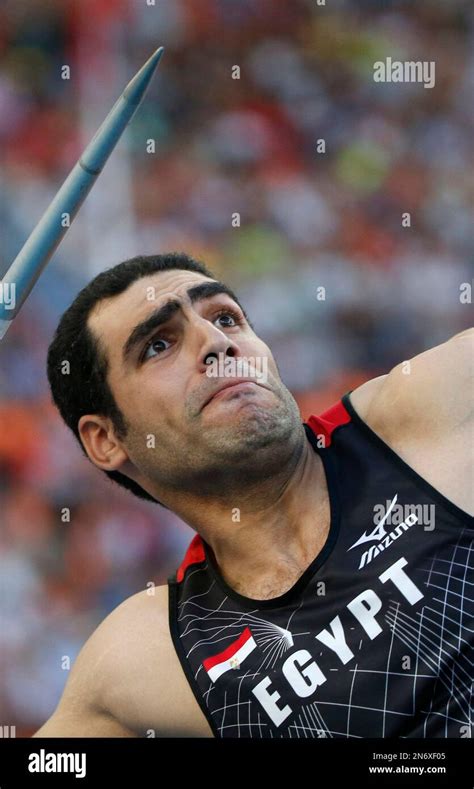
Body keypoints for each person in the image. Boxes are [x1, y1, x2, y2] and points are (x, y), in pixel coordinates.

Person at [33, 252, 473, 738]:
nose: (217, 343)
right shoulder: (148, 657)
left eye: (225, 317)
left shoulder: (430, 414)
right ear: (106, 439)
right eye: (159, 345)